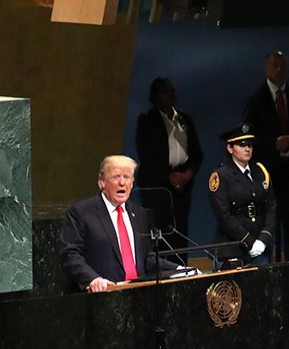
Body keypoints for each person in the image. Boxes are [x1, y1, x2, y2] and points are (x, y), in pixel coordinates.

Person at [60, 155, 183, 293]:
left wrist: (179, 269)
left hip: (137, 296)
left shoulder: (140, 214)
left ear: (132, 182)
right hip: (101, 297)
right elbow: (69, 254)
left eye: (127, 177)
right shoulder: (81, 212)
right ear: (102, 182)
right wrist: (92, 279)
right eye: (116, 177)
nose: (122, 183)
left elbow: (146, 258)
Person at [242, 51, 289, 261]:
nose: (279, 69)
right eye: (275, 65)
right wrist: (273, 143)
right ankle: (267, 273)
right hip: (268, 175)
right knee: (267, 226)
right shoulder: (256, 100)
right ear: (266, 68)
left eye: (283, 66)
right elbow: (248, 136)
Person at [135, 77, 204, 264]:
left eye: (173, 90)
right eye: (166, 91)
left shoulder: (184, 119)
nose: (171, 94)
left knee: (180, 231)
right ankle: (160, 274)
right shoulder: (147, 120)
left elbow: (197, 153)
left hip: (182, 185)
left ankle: (181, 271)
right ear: (156, 95)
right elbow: (145, 154)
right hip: (157, 184)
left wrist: (187, 174)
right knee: (159, 232)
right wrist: (169, 177)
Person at [207, 124, 277, 267]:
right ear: (230, 148)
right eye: (241, 145)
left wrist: (264, 238)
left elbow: (271, 207)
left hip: (260, 245)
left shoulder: (260, 171)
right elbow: (224, 216)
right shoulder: (221, 175)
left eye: (250, 145)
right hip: (232, 246)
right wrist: (249, 242)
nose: (247, 149)